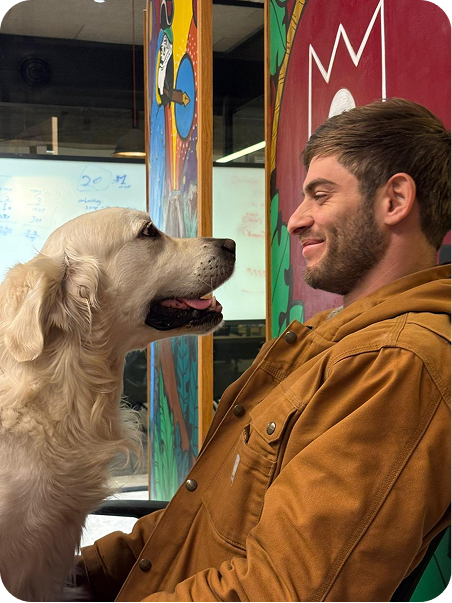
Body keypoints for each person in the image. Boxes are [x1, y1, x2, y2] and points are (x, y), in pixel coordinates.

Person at [74, 99, 452, 602]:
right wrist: (75, 574)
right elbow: (206, 517)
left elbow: (283, 588)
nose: (294, 220)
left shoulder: (397, 365)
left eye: (321, 196)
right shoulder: (325, 341)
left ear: (395, 200)